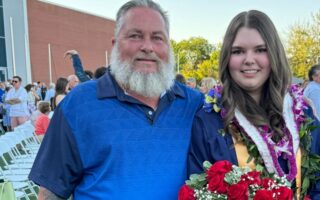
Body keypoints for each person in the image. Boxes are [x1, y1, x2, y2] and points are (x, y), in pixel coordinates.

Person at [29, 0, 203, 199]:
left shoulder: (193, 103)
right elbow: (51, 191)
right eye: (135, 36)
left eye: (157, 38)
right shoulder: (79, 104)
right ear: (114, 45)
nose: (147, 47)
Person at [187, 10, 320, 199]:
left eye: (260, 50)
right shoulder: (208, 122)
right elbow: (196, 192)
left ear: (274, 55)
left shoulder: (301, 114)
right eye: (238, 51)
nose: (249, 59)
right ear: (227, 59)